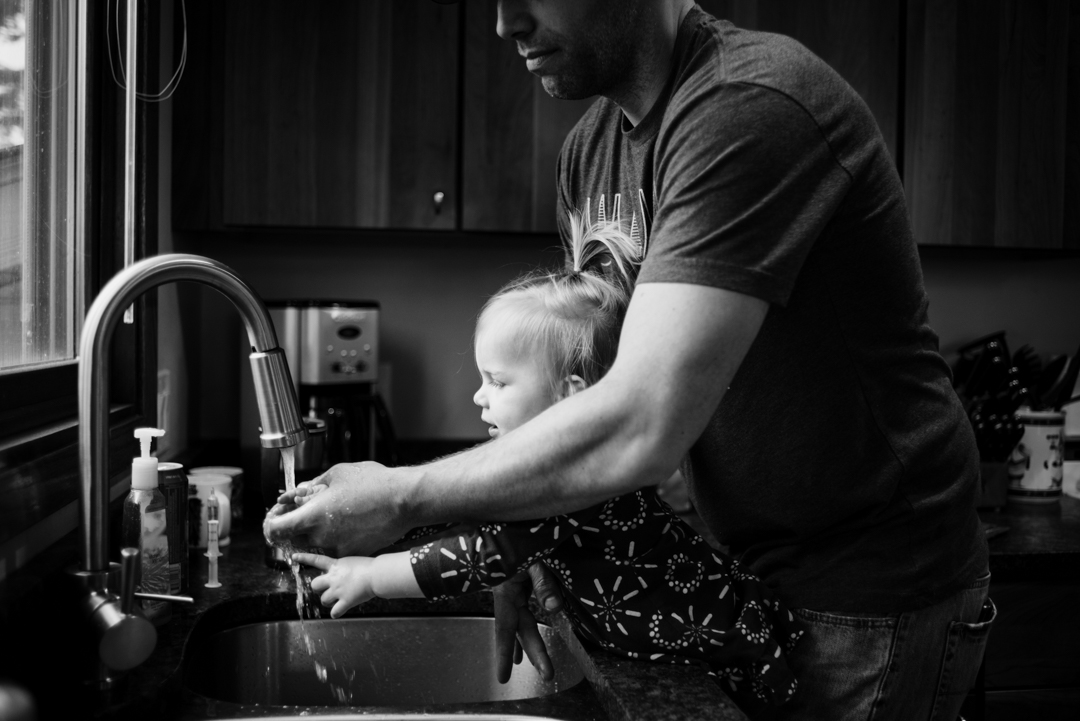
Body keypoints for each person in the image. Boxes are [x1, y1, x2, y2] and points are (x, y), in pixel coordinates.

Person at [265, 1, 994, 718]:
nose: (503, 22)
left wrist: (398, 496)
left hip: (867, 595)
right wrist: (522, 550)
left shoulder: (749, 106)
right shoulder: (590, 152)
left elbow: (641, 420)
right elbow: (577, 390)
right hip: (742, 582)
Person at [290, 211, 804, 705]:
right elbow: (483, 525)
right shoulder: (567, 472)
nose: (478, 396)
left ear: (569, 395)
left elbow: (477, 555)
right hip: (712, 642)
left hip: (730, 659)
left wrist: (371, 576)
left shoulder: (570, 479)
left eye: (497, 381)